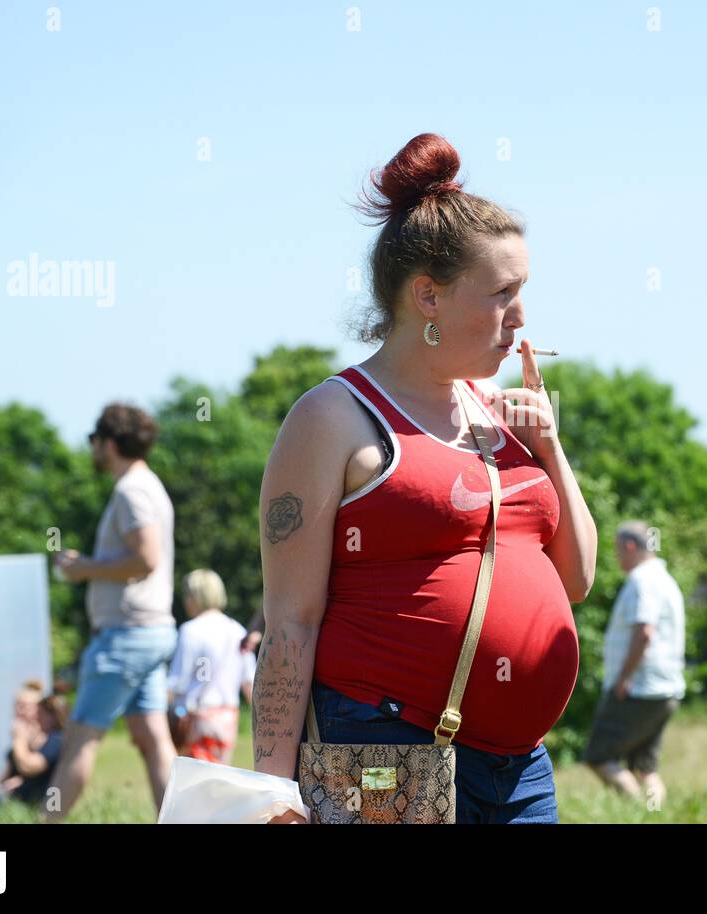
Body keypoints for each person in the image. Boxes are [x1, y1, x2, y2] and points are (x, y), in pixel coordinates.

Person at [253, 132, 597, 824]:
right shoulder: (333, 415)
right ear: (428, 298)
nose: (521, 316)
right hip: (385, 747)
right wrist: (270, 789)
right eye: (503, 292)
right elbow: (291, 618)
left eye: (522, 290)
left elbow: (577, 579)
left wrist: (550, 451)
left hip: (519, 764)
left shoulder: (497, 415)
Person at [46, 403, 178, 822]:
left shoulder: (131, 491)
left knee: (79, 741)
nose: (91, 449)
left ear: (109, 443)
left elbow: (146, 558)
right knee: (153, 739)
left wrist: (84, 568)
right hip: (150, 632)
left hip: (125, 637)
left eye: (93, 440)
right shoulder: (148, 485)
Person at [583, 521, 685, 807]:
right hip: (665, 690)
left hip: (638, 689)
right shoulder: (665, 578)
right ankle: (655, 814)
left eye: (617, 550)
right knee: (645, 768)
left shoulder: (642, 580)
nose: (617, 557)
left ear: (629, 546)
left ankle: (636, 813)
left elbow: (645, 631)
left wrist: (623, 679)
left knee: (598, 757)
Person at [167, 569, 255, 765]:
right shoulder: (237, 630)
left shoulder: (190, 630)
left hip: (195, 718)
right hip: (227, 718)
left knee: (193, 781)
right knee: (218, 778)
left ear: (195, 596)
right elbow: (249, 682)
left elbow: (177, 682)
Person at [0, 680, 68, 806]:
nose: (20, 711)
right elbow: (3, 780)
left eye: (25, 706)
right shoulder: (20, 745)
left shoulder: (53, 740)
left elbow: (29, 767)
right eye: (17, 706)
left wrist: (19, 739)